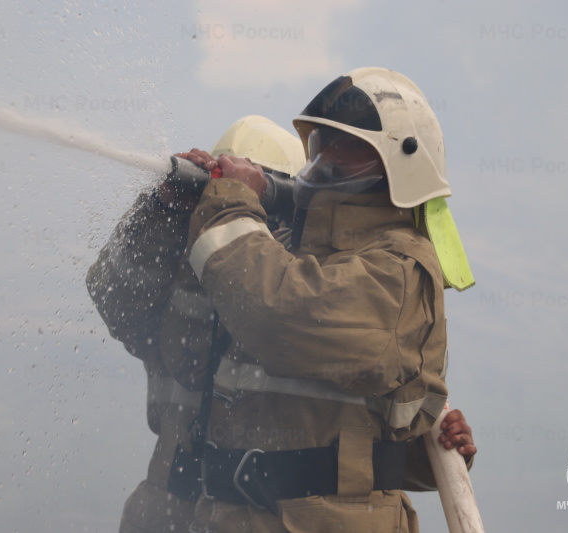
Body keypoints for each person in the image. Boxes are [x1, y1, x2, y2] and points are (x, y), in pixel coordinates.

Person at [176, 67, 477, 532]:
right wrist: (166, 214)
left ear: (402, 166)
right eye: (322, 145)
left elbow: (278, 318)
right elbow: (157, 329)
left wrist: (231, 204)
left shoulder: (397, 271)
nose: (330, 159)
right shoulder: (289, 250)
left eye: (352, 149)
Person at [86, 116, 307, 533]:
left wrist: (440, 439)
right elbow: (116, 299)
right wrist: (162, 211)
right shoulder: (182, 265)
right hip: (166, 512)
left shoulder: (297, 297)